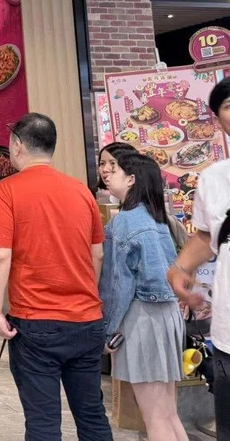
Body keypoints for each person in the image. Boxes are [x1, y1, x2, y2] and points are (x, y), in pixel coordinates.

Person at [0, 113, 113, 441]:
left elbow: (0, 255)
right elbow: (97, 254)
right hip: (87, 322)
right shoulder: (81, 191)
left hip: (36, 322)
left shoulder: (7, 190)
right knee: (92, 415)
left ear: (17, 146)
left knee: (43, 422)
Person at [100, 152, 187, 441]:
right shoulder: (158, 217)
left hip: (142, 319)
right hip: (167, 317)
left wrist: (107, 330)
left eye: (115, 169)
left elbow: (118, 286)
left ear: (132, 179)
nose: (107, 173)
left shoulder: (125, 221)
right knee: (168, 414)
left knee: (154, 418)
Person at [168, 77, 230, 439]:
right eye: (228, 105)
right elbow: (207, 236)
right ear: (218, 120)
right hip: (227, 331)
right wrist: (180, 268)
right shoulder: (213, 179)